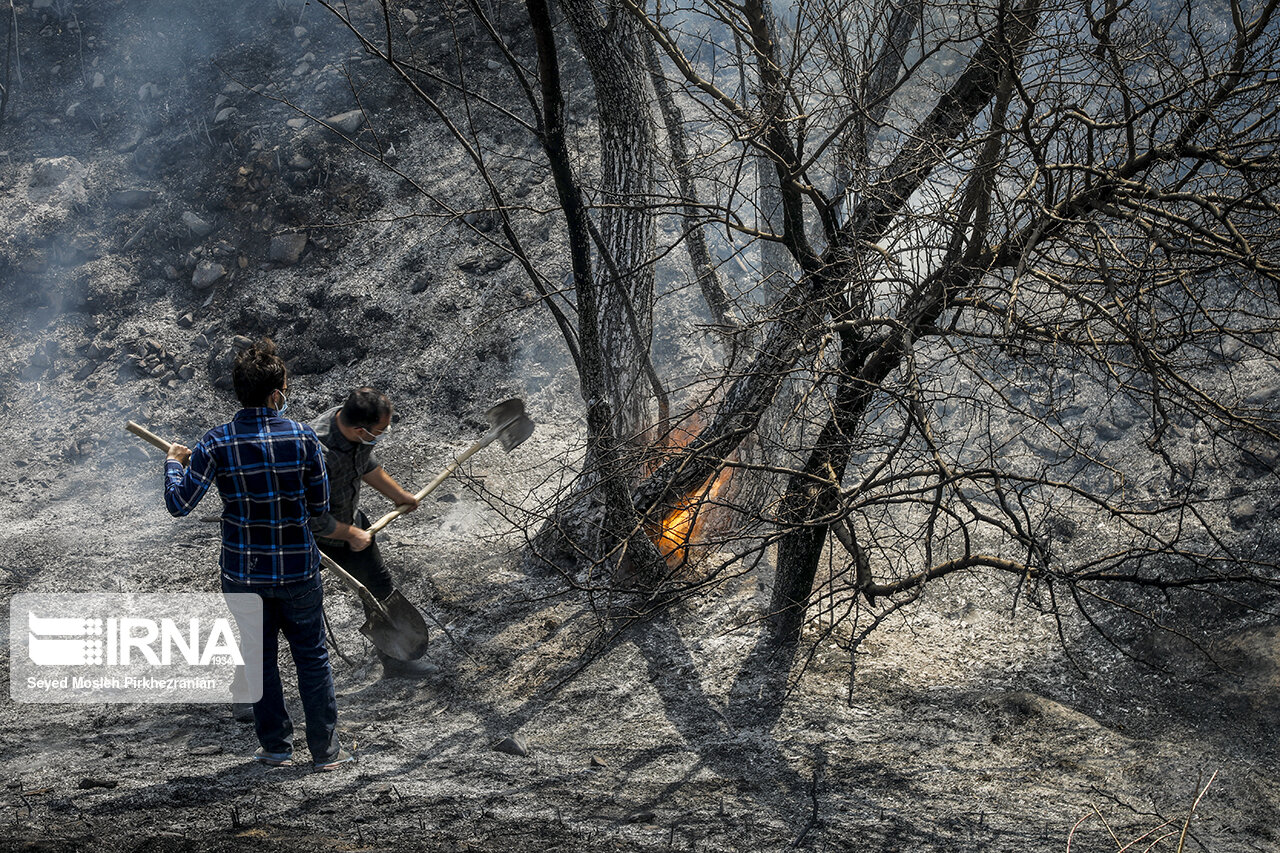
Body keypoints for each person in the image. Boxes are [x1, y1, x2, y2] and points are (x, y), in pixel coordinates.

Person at [163, 338, 355, 772]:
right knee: (312, 657)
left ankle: (276, 747)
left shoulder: (215, 443)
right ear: (277, 393)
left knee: (259, 657)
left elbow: (179, 504)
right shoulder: (304, 437)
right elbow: (319, 510)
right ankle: (325, 752)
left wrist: (175, 461)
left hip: (243, 572)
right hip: (298, 570)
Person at [309, 387, 433, 678]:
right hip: (310, 539)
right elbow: (310, 517)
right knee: (290, 609)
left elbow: (364, 464)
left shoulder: (355, 430)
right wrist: (351, 534)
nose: (383, 434)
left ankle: (396, 661)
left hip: (350, 520)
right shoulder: (316, 451)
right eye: (379, 430)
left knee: (379, 589)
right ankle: (253, 686)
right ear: (359, 429)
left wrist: (399, 495)